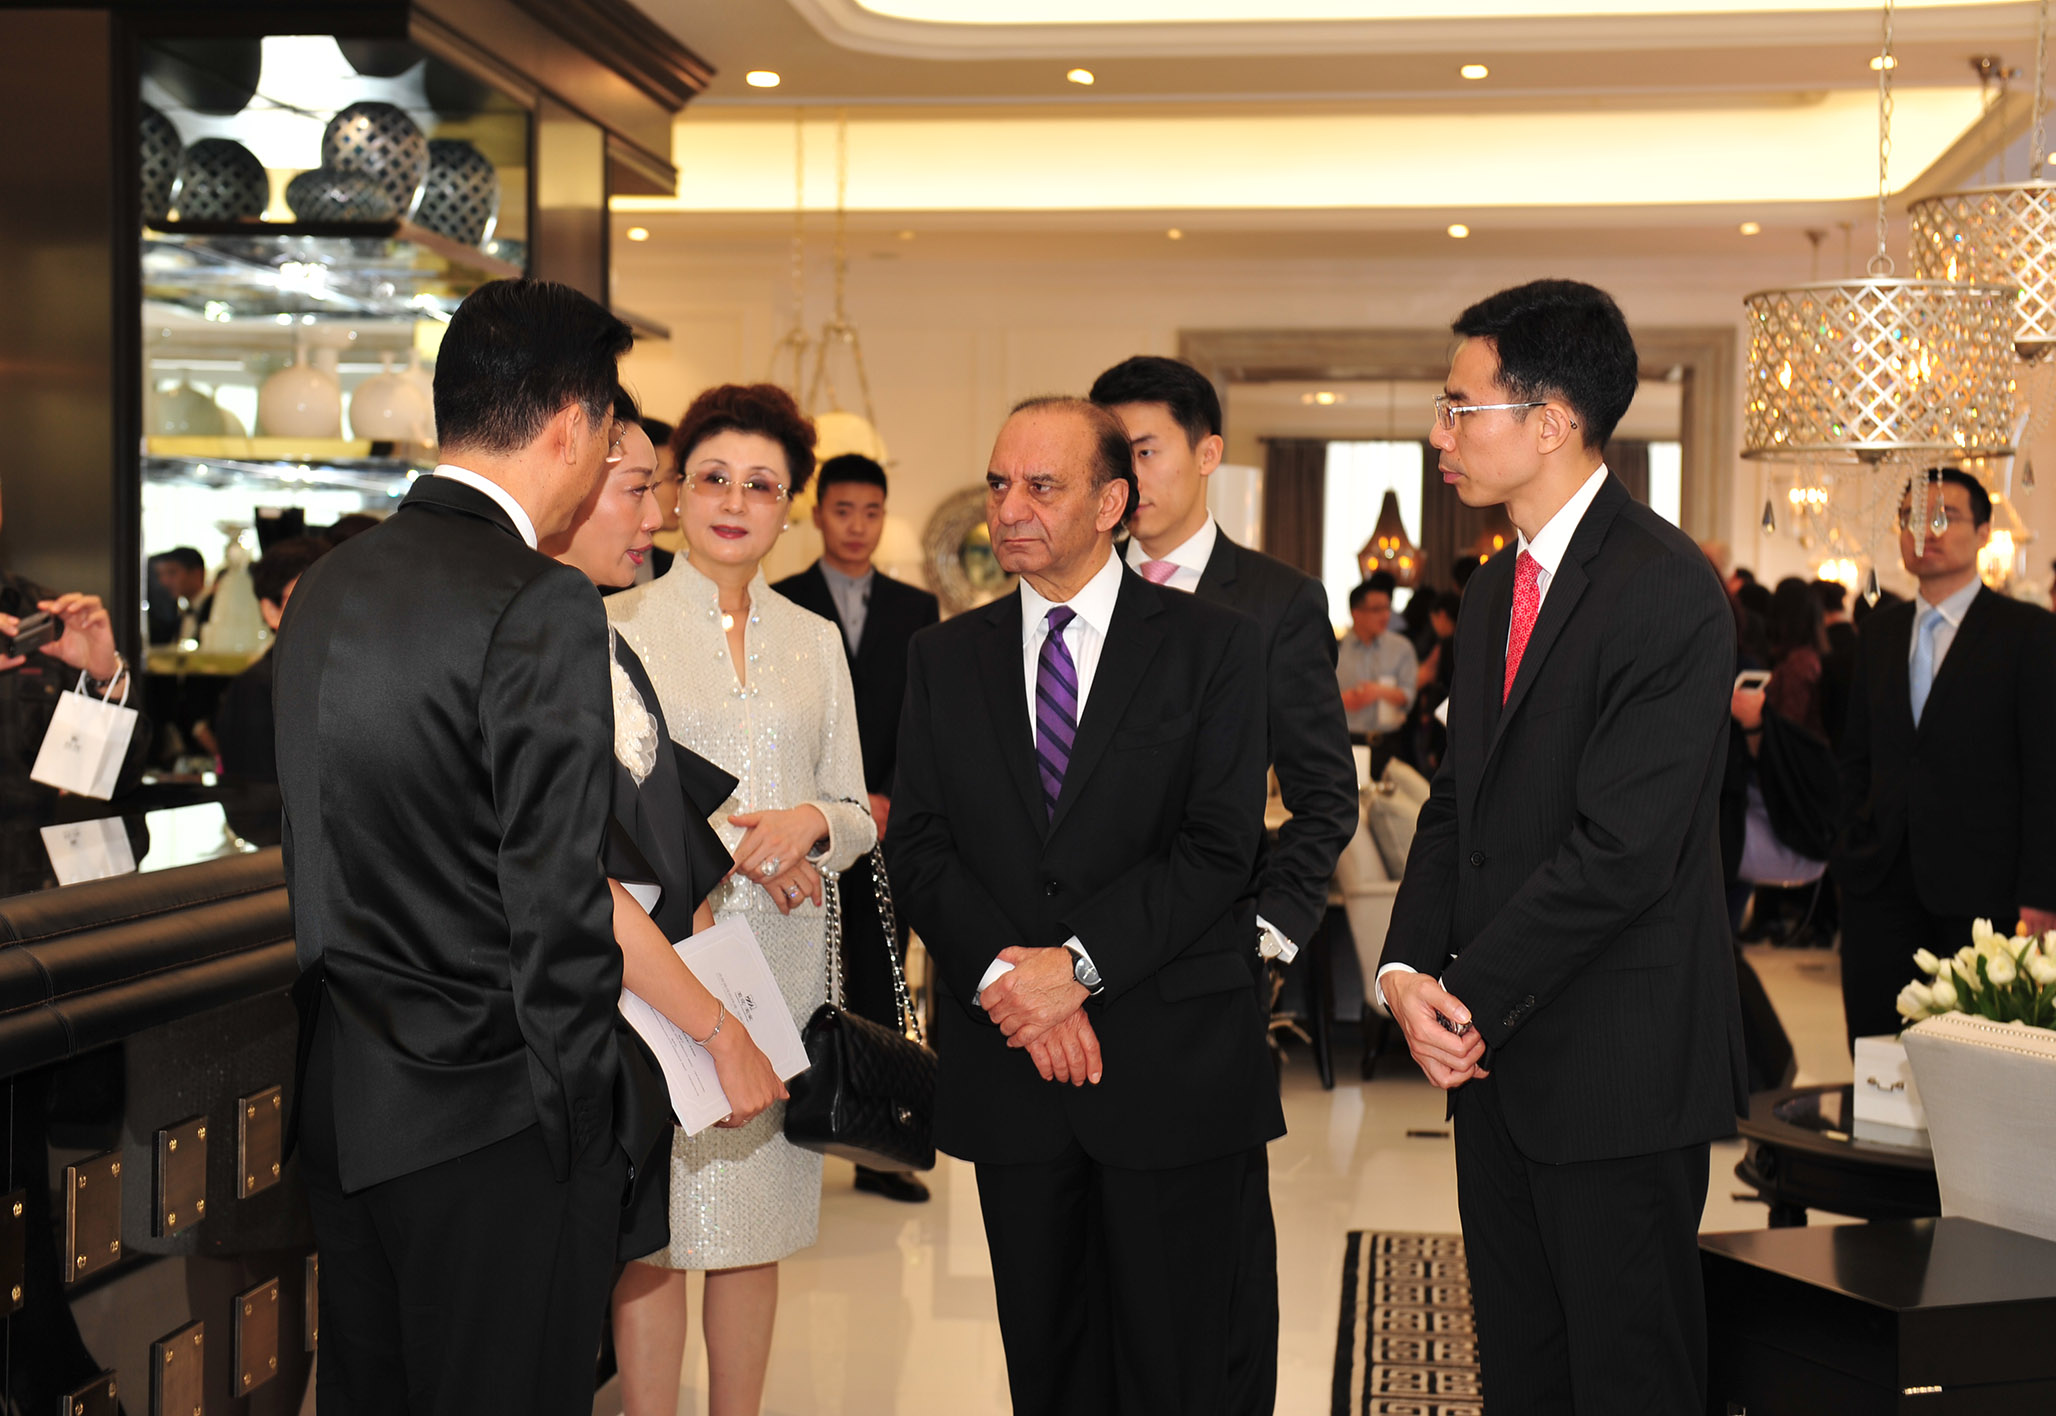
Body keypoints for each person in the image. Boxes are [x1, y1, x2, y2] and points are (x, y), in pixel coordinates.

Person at [273, 277, 662, 1414]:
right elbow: (555, 903)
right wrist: (591, 1143)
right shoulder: (536, 601)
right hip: (496, 1123)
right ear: (573, 426)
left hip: (347, 1106)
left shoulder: (330, 585)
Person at [1377, 279, 1746, 1415]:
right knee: (1523, 1372)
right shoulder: (1493, 589)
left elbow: (1622, 853)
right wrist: (1405, 972)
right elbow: (1456, 810)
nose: (1440, 435)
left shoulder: (1667, 591)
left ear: (1550, 421)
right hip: (1489, 1066)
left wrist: (1466, 991)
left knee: (1628, 1377)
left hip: (1613, 1064)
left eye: (1459, 406)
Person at [889, 396, 1276, 1416]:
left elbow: (1218, 847)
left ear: (1112, 500)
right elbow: (920, 844)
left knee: (1176, 1367)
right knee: (1048, 1367)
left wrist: (1079, 968)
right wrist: (1016, 982)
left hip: (1169, 1061)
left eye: (1041, 487)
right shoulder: (944, 657)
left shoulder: (1215, 649)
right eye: (998, 483)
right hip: (1014, 1067)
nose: (1009, 508)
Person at [1090, 352, 1357, 1413]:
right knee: (1096, 1235)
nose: (1127, 476)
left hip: (1210, 965)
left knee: (1219, 1246)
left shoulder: (1273, 602)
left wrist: (1267, 940)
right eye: (1109, 455)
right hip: (1081, 965)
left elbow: (1325, 798)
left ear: (1206, 455)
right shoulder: (1070, 583)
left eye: (1144, 451)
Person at [606, 383, 875, 1416]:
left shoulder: (814, 641)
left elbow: (855, 809)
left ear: (788, 506)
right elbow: (597, 811)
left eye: (760, 484)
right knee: (660, 1229)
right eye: (711, 476)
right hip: (661, 962)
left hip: (783, 968)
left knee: (753, 1227)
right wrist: (732, 843)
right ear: (671, 492)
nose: (733, 500)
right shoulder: (613, 624)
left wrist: (808, 824)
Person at [543, 395, 791, 1415]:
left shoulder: (606, 646)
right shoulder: (559, 638)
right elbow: (582, 878)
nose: (664, 514)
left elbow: (654, 830)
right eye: (644, 487)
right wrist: (714, 1024)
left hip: (646, 1001)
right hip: (585, 1009)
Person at [1833, 468, 2056, 1050]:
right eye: (1910, 518)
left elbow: (2045, 772)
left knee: (1972, 1059)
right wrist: (1849, 843)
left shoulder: (2028, 634)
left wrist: (2043, 893)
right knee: (1876, 1050)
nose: (1923, 530)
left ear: (1984, 532)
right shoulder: (1880, 631)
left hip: (1986, 890)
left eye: (1944, 517)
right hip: (1879, 879)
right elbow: (1856, 754)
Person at [772, 451, 941, 1205]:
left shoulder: (915, 608)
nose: (858, 526)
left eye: (872, 512)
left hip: (886, 825)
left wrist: (890, 798)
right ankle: (789, 1124)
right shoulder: (784, 600)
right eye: (843, 511)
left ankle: (876, 1144)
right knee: (798, 971)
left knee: (880, 974)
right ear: (818, 514)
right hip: (800, 826)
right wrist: (827, 800)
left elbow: (924, 720)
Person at [211, 534, 329, 785]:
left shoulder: (345, 674)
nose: (324, 609)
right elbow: (253, 794)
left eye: (330, 594)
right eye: (306, 595)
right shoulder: (257, 688)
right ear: (271, 610)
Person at [1336, 572, 1417, 740]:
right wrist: (1340, 700)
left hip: (1390, 740)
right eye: (1377, 610)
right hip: (1347, 739)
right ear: (1356, 613)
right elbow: (1319, 697)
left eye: (1387, 608)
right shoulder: (1336, 649)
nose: (1385, 616)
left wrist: (1377, 692)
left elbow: (1409, 696)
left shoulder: (1402, 647)